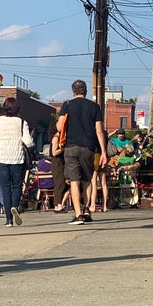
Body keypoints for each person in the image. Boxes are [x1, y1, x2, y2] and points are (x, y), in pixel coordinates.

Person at [57, 79, 107, 225]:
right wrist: (103, 151)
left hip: (71, 147)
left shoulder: (67, 105)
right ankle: (87, 210)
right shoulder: (94, 107)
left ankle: (78, 214)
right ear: (86, 91)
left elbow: (60, 127)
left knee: (74, 180)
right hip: (88, 148)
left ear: (73, 91)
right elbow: (99, 130)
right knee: (87, 179)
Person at [0, 97, 35, 227]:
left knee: (6, 188)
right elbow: (28, 142)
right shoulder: (22, 122)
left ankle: (8, 220)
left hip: (2, 157)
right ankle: (14, 207)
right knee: (17, 186)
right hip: (17, 157)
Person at [49, 120, 70, 213]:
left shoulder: (61, 137)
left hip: (61, 162)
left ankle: (60, 203)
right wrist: (63, 149)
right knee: (59, 184)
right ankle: (58, 205)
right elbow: (54, 152)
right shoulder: (56, 138)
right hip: (56, 162)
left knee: (63, 184)